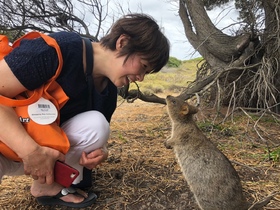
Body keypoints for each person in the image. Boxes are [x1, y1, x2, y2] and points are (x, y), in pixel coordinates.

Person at [0, 13, 170, 208]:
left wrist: (101, 151)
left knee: (97, 124)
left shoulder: (108, 90)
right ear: (122, 42)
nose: (140, 78)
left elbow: (95, 133)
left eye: (146, 73)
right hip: (6, 144)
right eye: (143, 66)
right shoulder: (56, 50)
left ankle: (46, 186)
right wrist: (29, 151)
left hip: (44, 154)